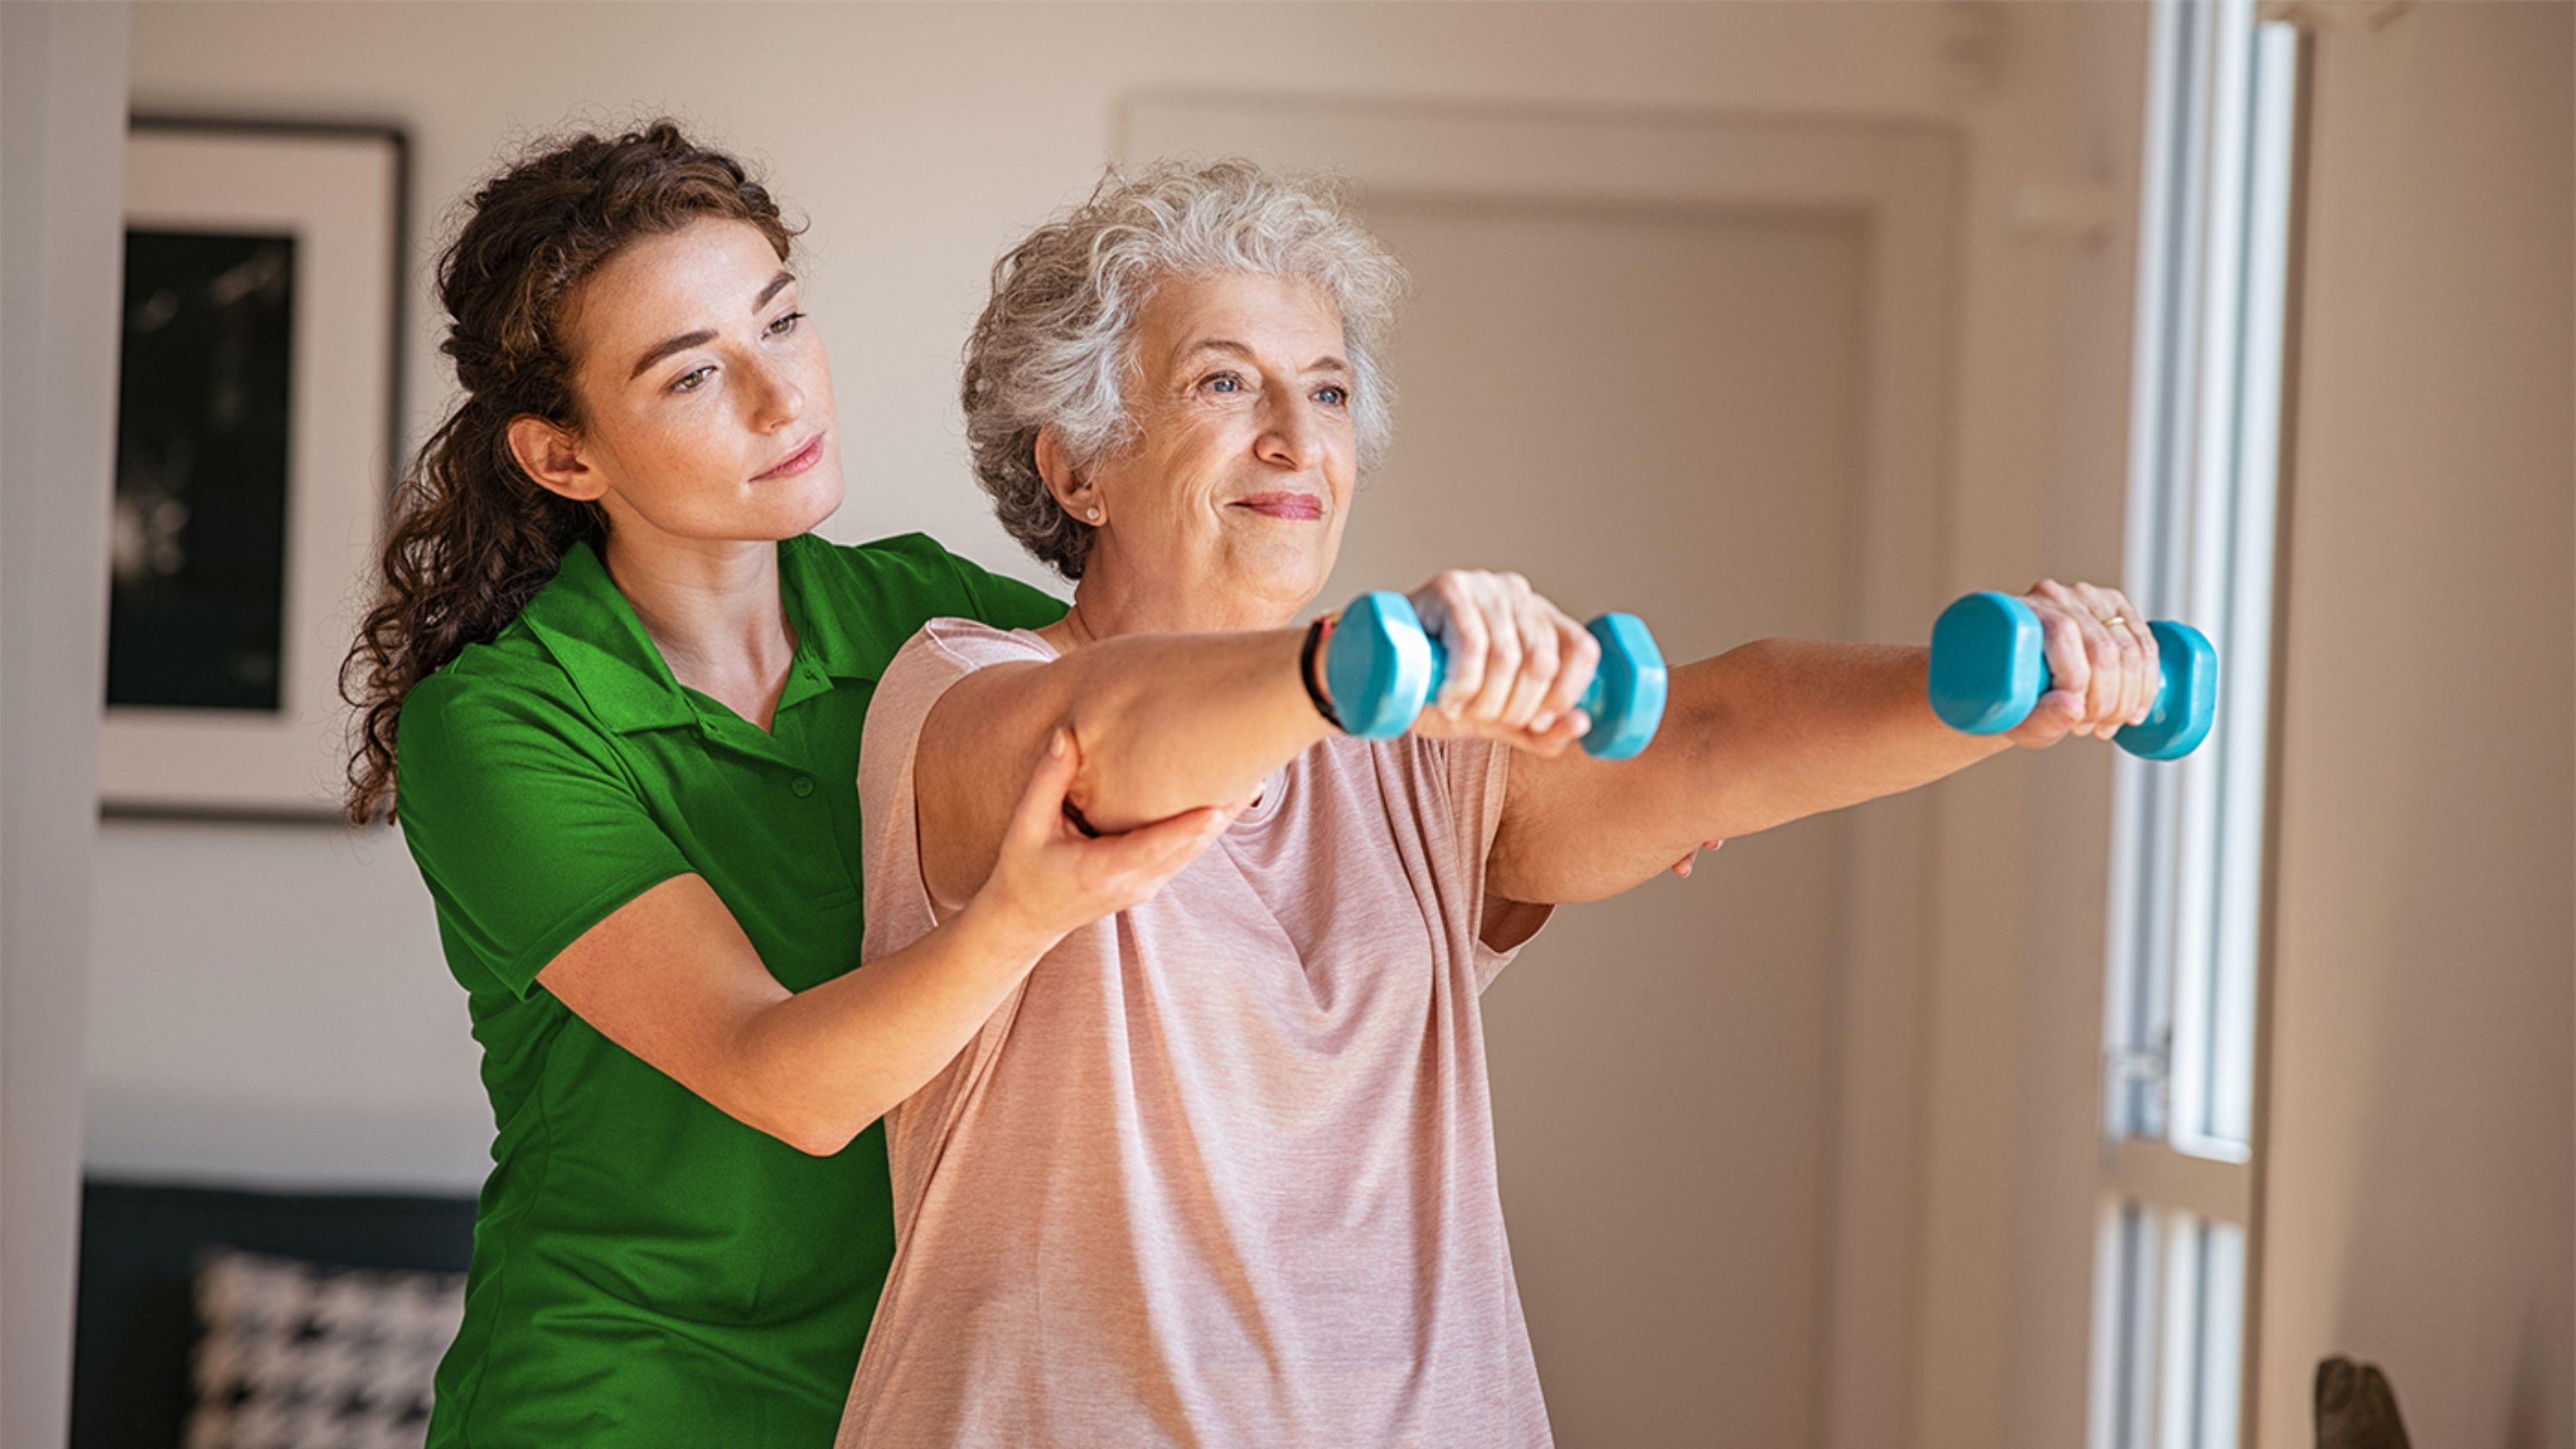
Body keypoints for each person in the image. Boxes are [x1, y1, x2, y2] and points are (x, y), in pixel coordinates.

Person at [833, 160, 2164, 1447]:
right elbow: (1099, 749)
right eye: (1223, 382)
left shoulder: (1414, 748)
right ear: (1078, 468)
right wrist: (1359, 666)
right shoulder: (965, 687)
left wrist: (1994, 691)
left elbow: (1708, 733)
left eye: (1328, 390)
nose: (1296, 436)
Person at [340, 123, 1230, 1448]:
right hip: (622, 1403)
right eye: (695, 374)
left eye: (783, 322)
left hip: (912, 1397)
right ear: (565, 458)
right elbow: (789, 1085)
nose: (782, 398)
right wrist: (1024, 914)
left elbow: (1158, 703)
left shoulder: (925, 616)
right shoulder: (499, 724)